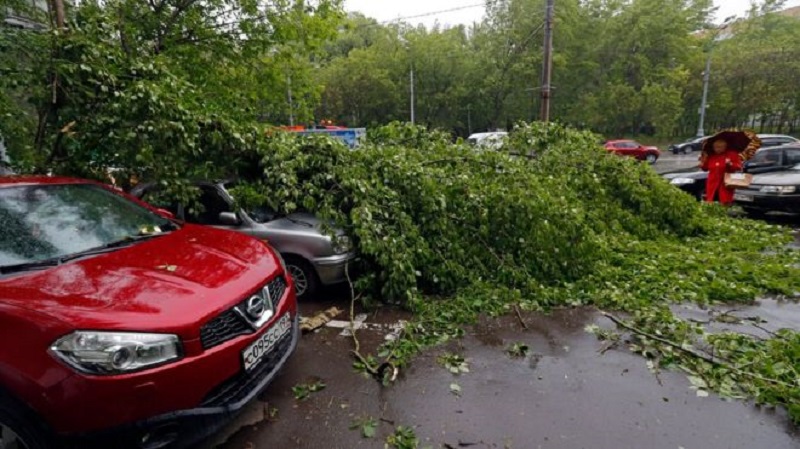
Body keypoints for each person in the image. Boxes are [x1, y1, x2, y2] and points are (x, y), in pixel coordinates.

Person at [700, 138, 743, 205]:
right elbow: (705, 168)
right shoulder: (711, 156)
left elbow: (739, 167)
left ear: (725, 147)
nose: (717, 149)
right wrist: (702, 162)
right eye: (715, 147)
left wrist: (730, 164)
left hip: (725, 183)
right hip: (712, 183)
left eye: (720, 147)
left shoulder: (732, 154)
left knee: (724, 201)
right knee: (711, 202)